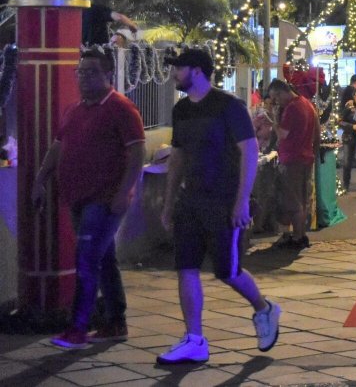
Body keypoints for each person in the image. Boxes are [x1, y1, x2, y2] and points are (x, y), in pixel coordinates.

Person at [159, 49, 281, 364]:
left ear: (197, 71)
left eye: (179, 68)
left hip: (223, 200)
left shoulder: (229, 107)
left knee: (227, 271)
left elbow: (250, 151)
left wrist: (241, 200)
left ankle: (264, 308)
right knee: (185, 267)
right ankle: (195, 339)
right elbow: (178, 156)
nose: (175, 74)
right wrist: (169, 202)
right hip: (191, 199)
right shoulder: (182, 109)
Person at [33, 48, 146, 349]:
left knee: (86, 261)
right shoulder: (75, 109)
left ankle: (79, 327)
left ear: (108, 74)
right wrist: (41, 178)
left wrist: (125, 191)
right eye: (80, 72)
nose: (84, 78)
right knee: (104, 258)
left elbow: (137, 152)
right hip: (78, 198)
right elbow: (58, 146)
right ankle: (115, 321)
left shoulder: (121, 108)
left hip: (105, 199)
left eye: (91, 72)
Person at [268, 79, 317, 249]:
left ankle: (297, 236)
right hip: (305, 156)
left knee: (293, 201)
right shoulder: (306, 104)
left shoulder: (292, 109)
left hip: (292, 159)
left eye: (276, 98)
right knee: (301, 199)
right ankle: (299, 234)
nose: (276, 102)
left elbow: (282, 134)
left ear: (281, 92)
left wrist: (274, 119)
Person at [339, 89, 356, 191]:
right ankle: (346, 184)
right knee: (346, 162)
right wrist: (352, 126)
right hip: (349, 137)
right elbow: (340, 122)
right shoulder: (348, 107)